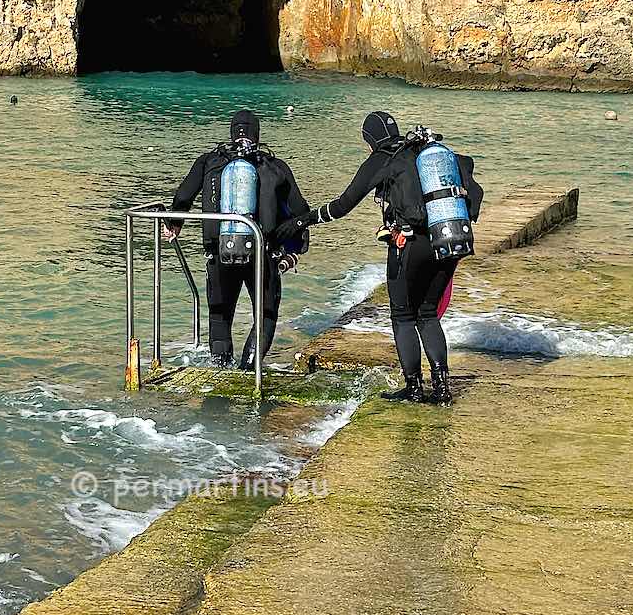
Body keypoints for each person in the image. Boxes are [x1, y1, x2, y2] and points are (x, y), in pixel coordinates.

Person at [274, 110, 480, 406]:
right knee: (427, 314)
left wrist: (303, 221)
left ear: (369, 140)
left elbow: (343, 205)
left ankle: (413, 387)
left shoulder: (381, 159)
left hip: (410, 243)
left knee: (403, 315)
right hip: (449, 237)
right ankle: (442, 387)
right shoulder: (423, 151)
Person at [163, 109, 310, 369]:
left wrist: (174, 225)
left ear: (232, 134)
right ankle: (247, 370)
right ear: (257, 134)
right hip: (263, 255)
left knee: (220, 315)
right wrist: (295, 249)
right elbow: (300, 211)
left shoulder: (209, 161)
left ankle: (220, 368)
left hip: (219, 252)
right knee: (265, 315)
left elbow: (183, 196)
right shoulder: (275, 167)